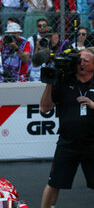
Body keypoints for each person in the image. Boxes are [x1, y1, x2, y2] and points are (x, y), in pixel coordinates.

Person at [40, 48, 94, 208]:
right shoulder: (65, 81)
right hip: (67, 143)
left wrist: (92, 104)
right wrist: (50, 82)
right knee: (53, 184)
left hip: (93, 144)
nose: (81, 63)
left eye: (86, 60)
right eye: (79, 59)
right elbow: (44, 108)